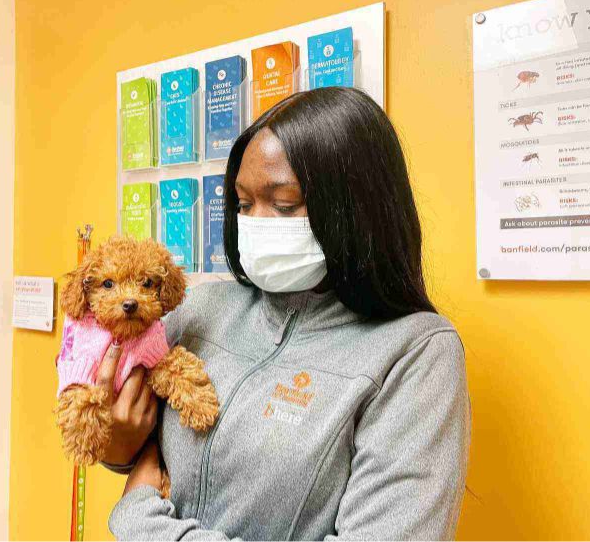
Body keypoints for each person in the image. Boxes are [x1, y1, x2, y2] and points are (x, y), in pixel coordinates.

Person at [96, 87, 471, 540]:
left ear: (355, 208)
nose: (254, 223)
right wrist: (116, 444)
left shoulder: (415, 353)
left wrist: (140, 520)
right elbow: (136, 441)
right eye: (243, 203)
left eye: (285, 204)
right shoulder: (202, 308)